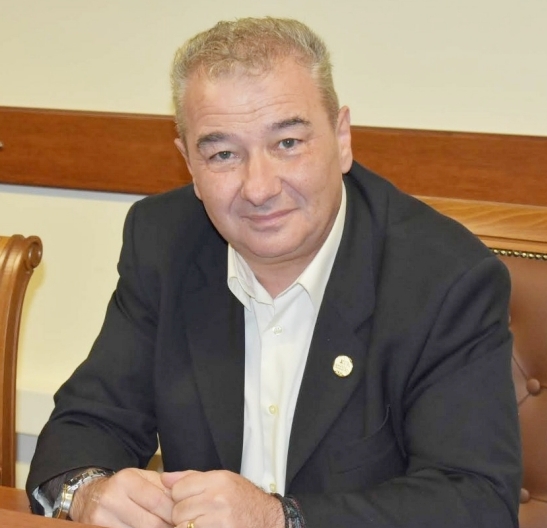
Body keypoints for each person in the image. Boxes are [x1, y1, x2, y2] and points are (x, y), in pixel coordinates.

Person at [27, 16, 521, 528]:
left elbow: (476, 502)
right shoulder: (164, 242)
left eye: (287, 143)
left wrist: (278, 519)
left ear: (342, 137)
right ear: (189, 164)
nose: (259, 188)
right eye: (223, 154)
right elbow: (88, 423)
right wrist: (86, 492)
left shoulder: (443, 277)